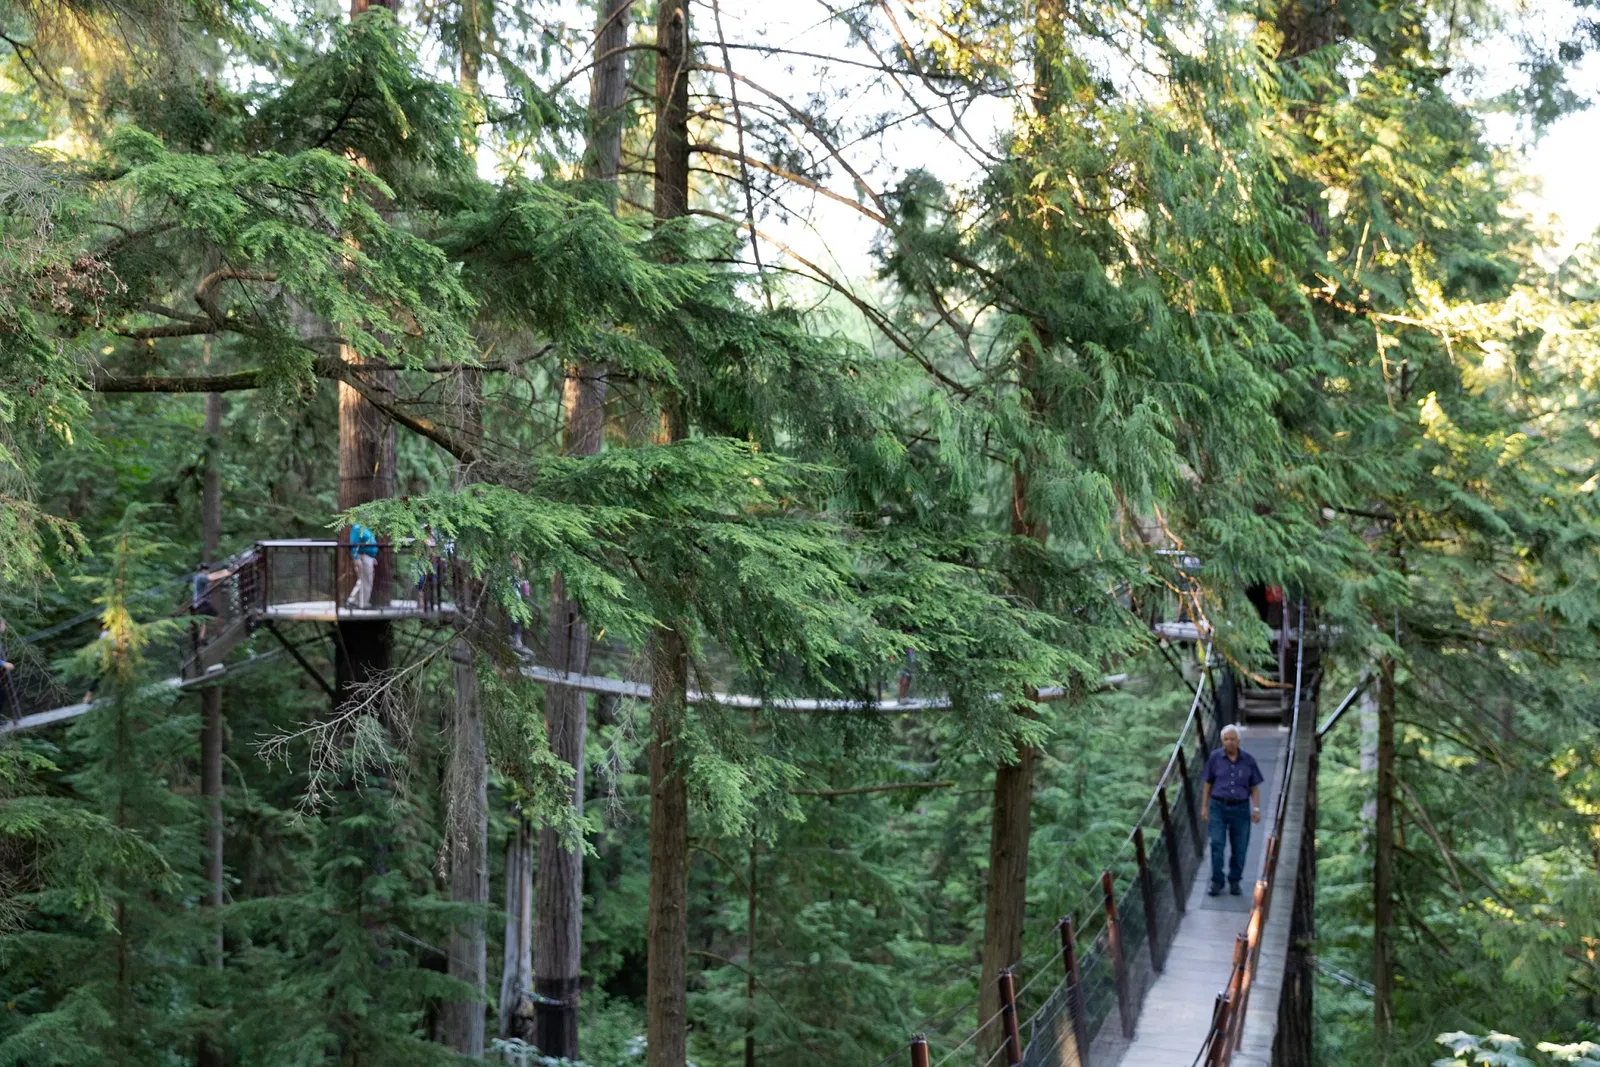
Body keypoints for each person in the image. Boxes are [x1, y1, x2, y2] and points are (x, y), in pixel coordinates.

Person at [1200, 723, 1264, 896]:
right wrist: (1204, 806)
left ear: (1238, 741)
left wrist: (1256, 809)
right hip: (1218, 806)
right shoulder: (1215, 758)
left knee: (1240, 846)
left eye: (1232, 739)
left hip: (1241, 808)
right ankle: (1217, 881)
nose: (1229, 742)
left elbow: (1254, 787)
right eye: (1226, 739)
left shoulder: (1248, 760)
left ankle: (1235, 880)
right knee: (1217, 844)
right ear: (1222, 741)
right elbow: (1207, 783)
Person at [346, 522, 379, 610]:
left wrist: (372, 557)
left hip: (368, 557)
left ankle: (354, 601)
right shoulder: (357, 528)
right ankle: (363, 603)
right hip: (363, 557)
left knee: (364, 580)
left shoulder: (367, 528)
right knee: (367, 580)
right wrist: (356, 558)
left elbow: (369, 543)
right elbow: (354, 543)